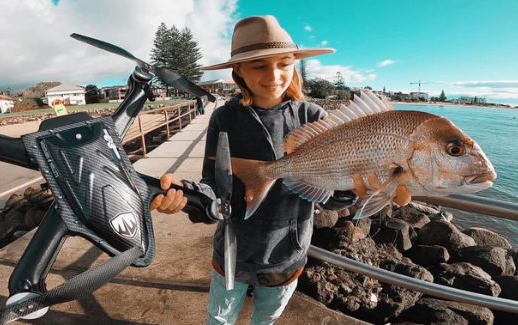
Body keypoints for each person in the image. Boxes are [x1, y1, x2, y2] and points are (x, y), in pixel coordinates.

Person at [150, 15, 411, 325]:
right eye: (259, 65)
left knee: (268, 317)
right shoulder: (225, 118)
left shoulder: (313, 116)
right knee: (219, 317)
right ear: (239, 71)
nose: (273, 74)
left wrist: (350, 191)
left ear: (294, 66)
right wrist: (188, 196)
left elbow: (327, 197)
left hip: (288, 251)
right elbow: (213, 184)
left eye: (284, 64)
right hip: (234, 247)